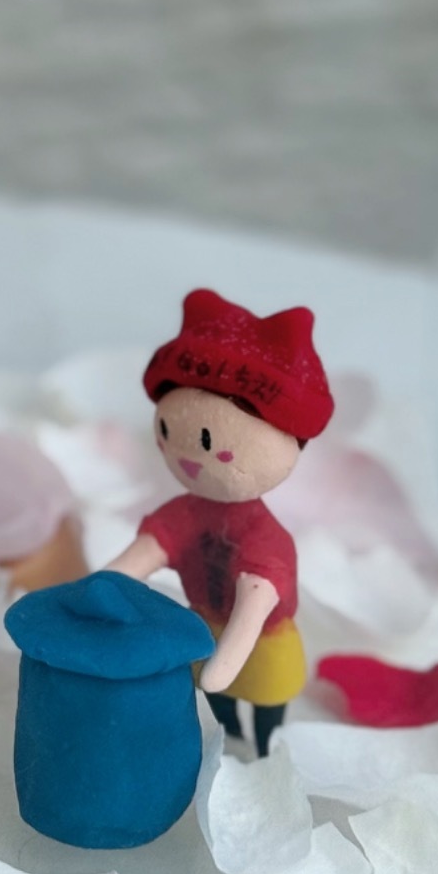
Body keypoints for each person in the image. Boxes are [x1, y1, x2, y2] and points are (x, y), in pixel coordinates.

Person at [107, 288, 334, 756]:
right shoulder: (186, 511)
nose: (190, 459)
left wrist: (225, 661)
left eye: (209, 441)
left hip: (265, 641)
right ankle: (228, 738)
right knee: (219, 707)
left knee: (267, 708)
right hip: (203, 626)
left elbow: (257, 599)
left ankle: (266, 748)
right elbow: (150, 549)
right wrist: (105, 587)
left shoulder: (265, 537)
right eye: (168, 431)